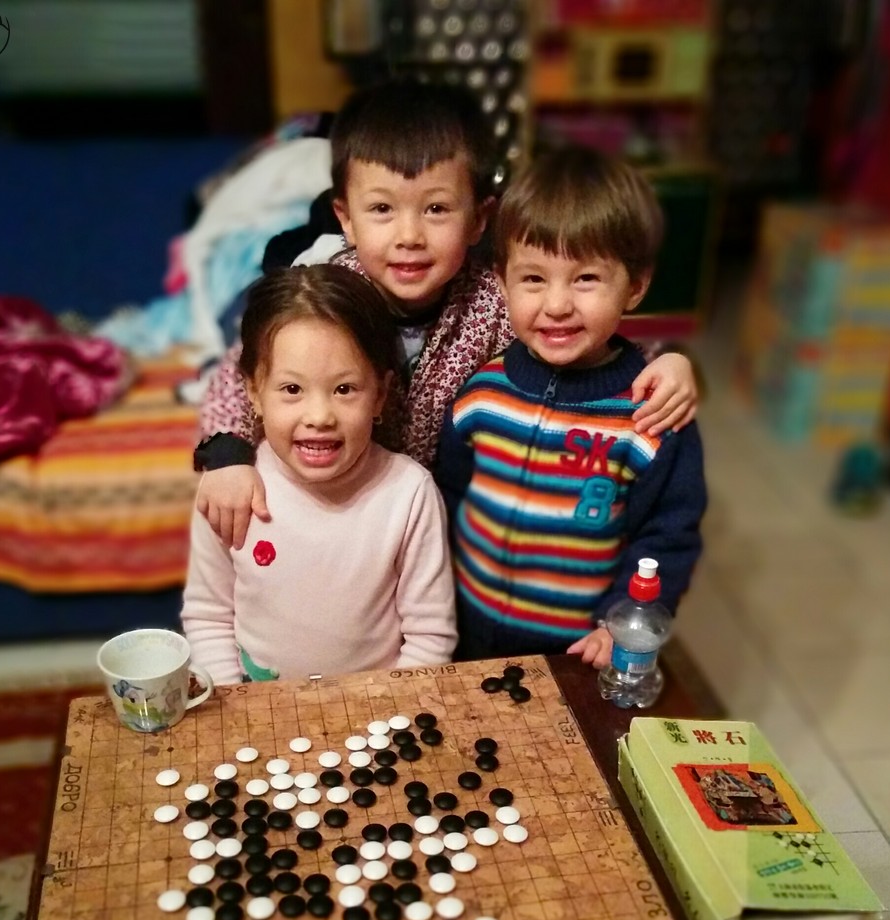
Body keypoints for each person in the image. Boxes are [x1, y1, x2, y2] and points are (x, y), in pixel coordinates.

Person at [193, 80, 699, 549]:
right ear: (346, 218)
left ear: (480, 219)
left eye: (436, 209)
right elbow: (242, 378)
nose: (409, 236)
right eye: (382, 210)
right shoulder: (326, 298)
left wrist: (667, 361)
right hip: (328, 502)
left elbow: (583, 336)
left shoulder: (498, 300)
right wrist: (226, 457)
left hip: (444, 525)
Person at [434, 146, 707, 668]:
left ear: (635, 286)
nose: (557, 304)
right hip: (461, 627)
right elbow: (446, 495)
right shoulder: (480, 393)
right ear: (502, 281)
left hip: (577, 650)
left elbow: (667, 537)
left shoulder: (650, 415)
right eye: (533, 278)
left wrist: (624, 617)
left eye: (586, 279)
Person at [181, 264, 457, 684]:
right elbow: (209, 616)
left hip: (380, 722)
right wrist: (235, 708)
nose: (320, 416)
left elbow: (430, 638)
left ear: (380, 395)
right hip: (256, 716)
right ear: (254, 392)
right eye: (292, 389)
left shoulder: (409, 492)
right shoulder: (227, 491)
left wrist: (394, 713)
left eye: (345, 389)